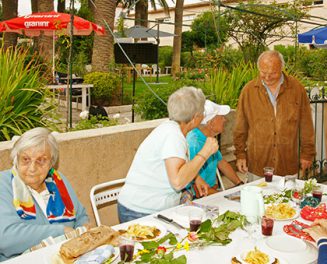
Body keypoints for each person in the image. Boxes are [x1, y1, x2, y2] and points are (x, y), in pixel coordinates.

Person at [117, 87, 219, 223]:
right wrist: (205, 153)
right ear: (195, 118)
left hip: (146, 208)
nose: (203, 116)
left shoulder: (171, 129)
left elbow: (176, 167)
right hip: (141, 211)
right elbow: (177, 182)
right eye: (202, 112)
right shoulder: (173, 136)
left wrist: (196, 178)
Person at [0, 127, 89, 261]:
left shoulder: (59, 182)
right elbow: (7, 238)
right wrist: (61, 232)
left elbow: (81, 216)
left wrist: (82, 232)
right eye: (25, 159)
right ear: (15, 159)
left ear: (51, 163)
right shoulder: (4, 184)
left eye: (41, 160)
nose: (32, 168)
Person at [234, 50, 315, 179]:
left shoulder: (296, 89)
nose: (267, 77)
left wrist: (307, 154)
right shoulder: (249, 91)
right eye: (263, 72)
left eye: (273, 73)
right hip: (258, 166)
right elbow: (240, 127)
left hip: (287, 164)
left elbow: (306, 125)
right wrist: (240, 154)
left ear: (282, 68)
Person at [186, 100, 243, 198]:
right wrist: (227, 198)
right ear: (211, 123)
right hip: (200, 196)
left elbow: (221, 162)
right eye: (221, 117)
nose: (224, 120)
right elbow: (197, 186)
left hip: (212, 190)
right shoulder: (195, 144)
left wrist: (240, 184)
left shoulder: (208, 138)